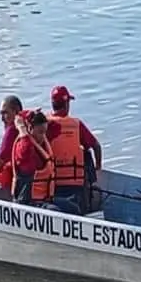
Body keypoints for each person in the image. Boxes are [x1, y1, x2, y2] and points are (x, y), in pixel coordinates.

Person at [46, 85, 102, 214]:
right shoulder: (76, 125)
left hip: (51, 183)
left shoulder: (44, 124)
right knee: (86, 154)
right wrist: (98, 167)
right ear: (66, 104)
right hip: (75, 185)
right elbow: (96, 146)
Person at [11, 110, 80, 214]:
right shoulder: (23, 147)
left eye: (44, 131)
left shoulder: (42, 141)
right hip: (28, 202)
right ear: (29, 128)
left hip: (45, 199)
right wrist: (21, 128)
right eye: (40, 132)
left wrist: (32, 113)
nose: (43, 136)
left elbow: (56, 127)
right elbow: (25, 150)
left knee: (73, 208)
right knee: (54, 211)